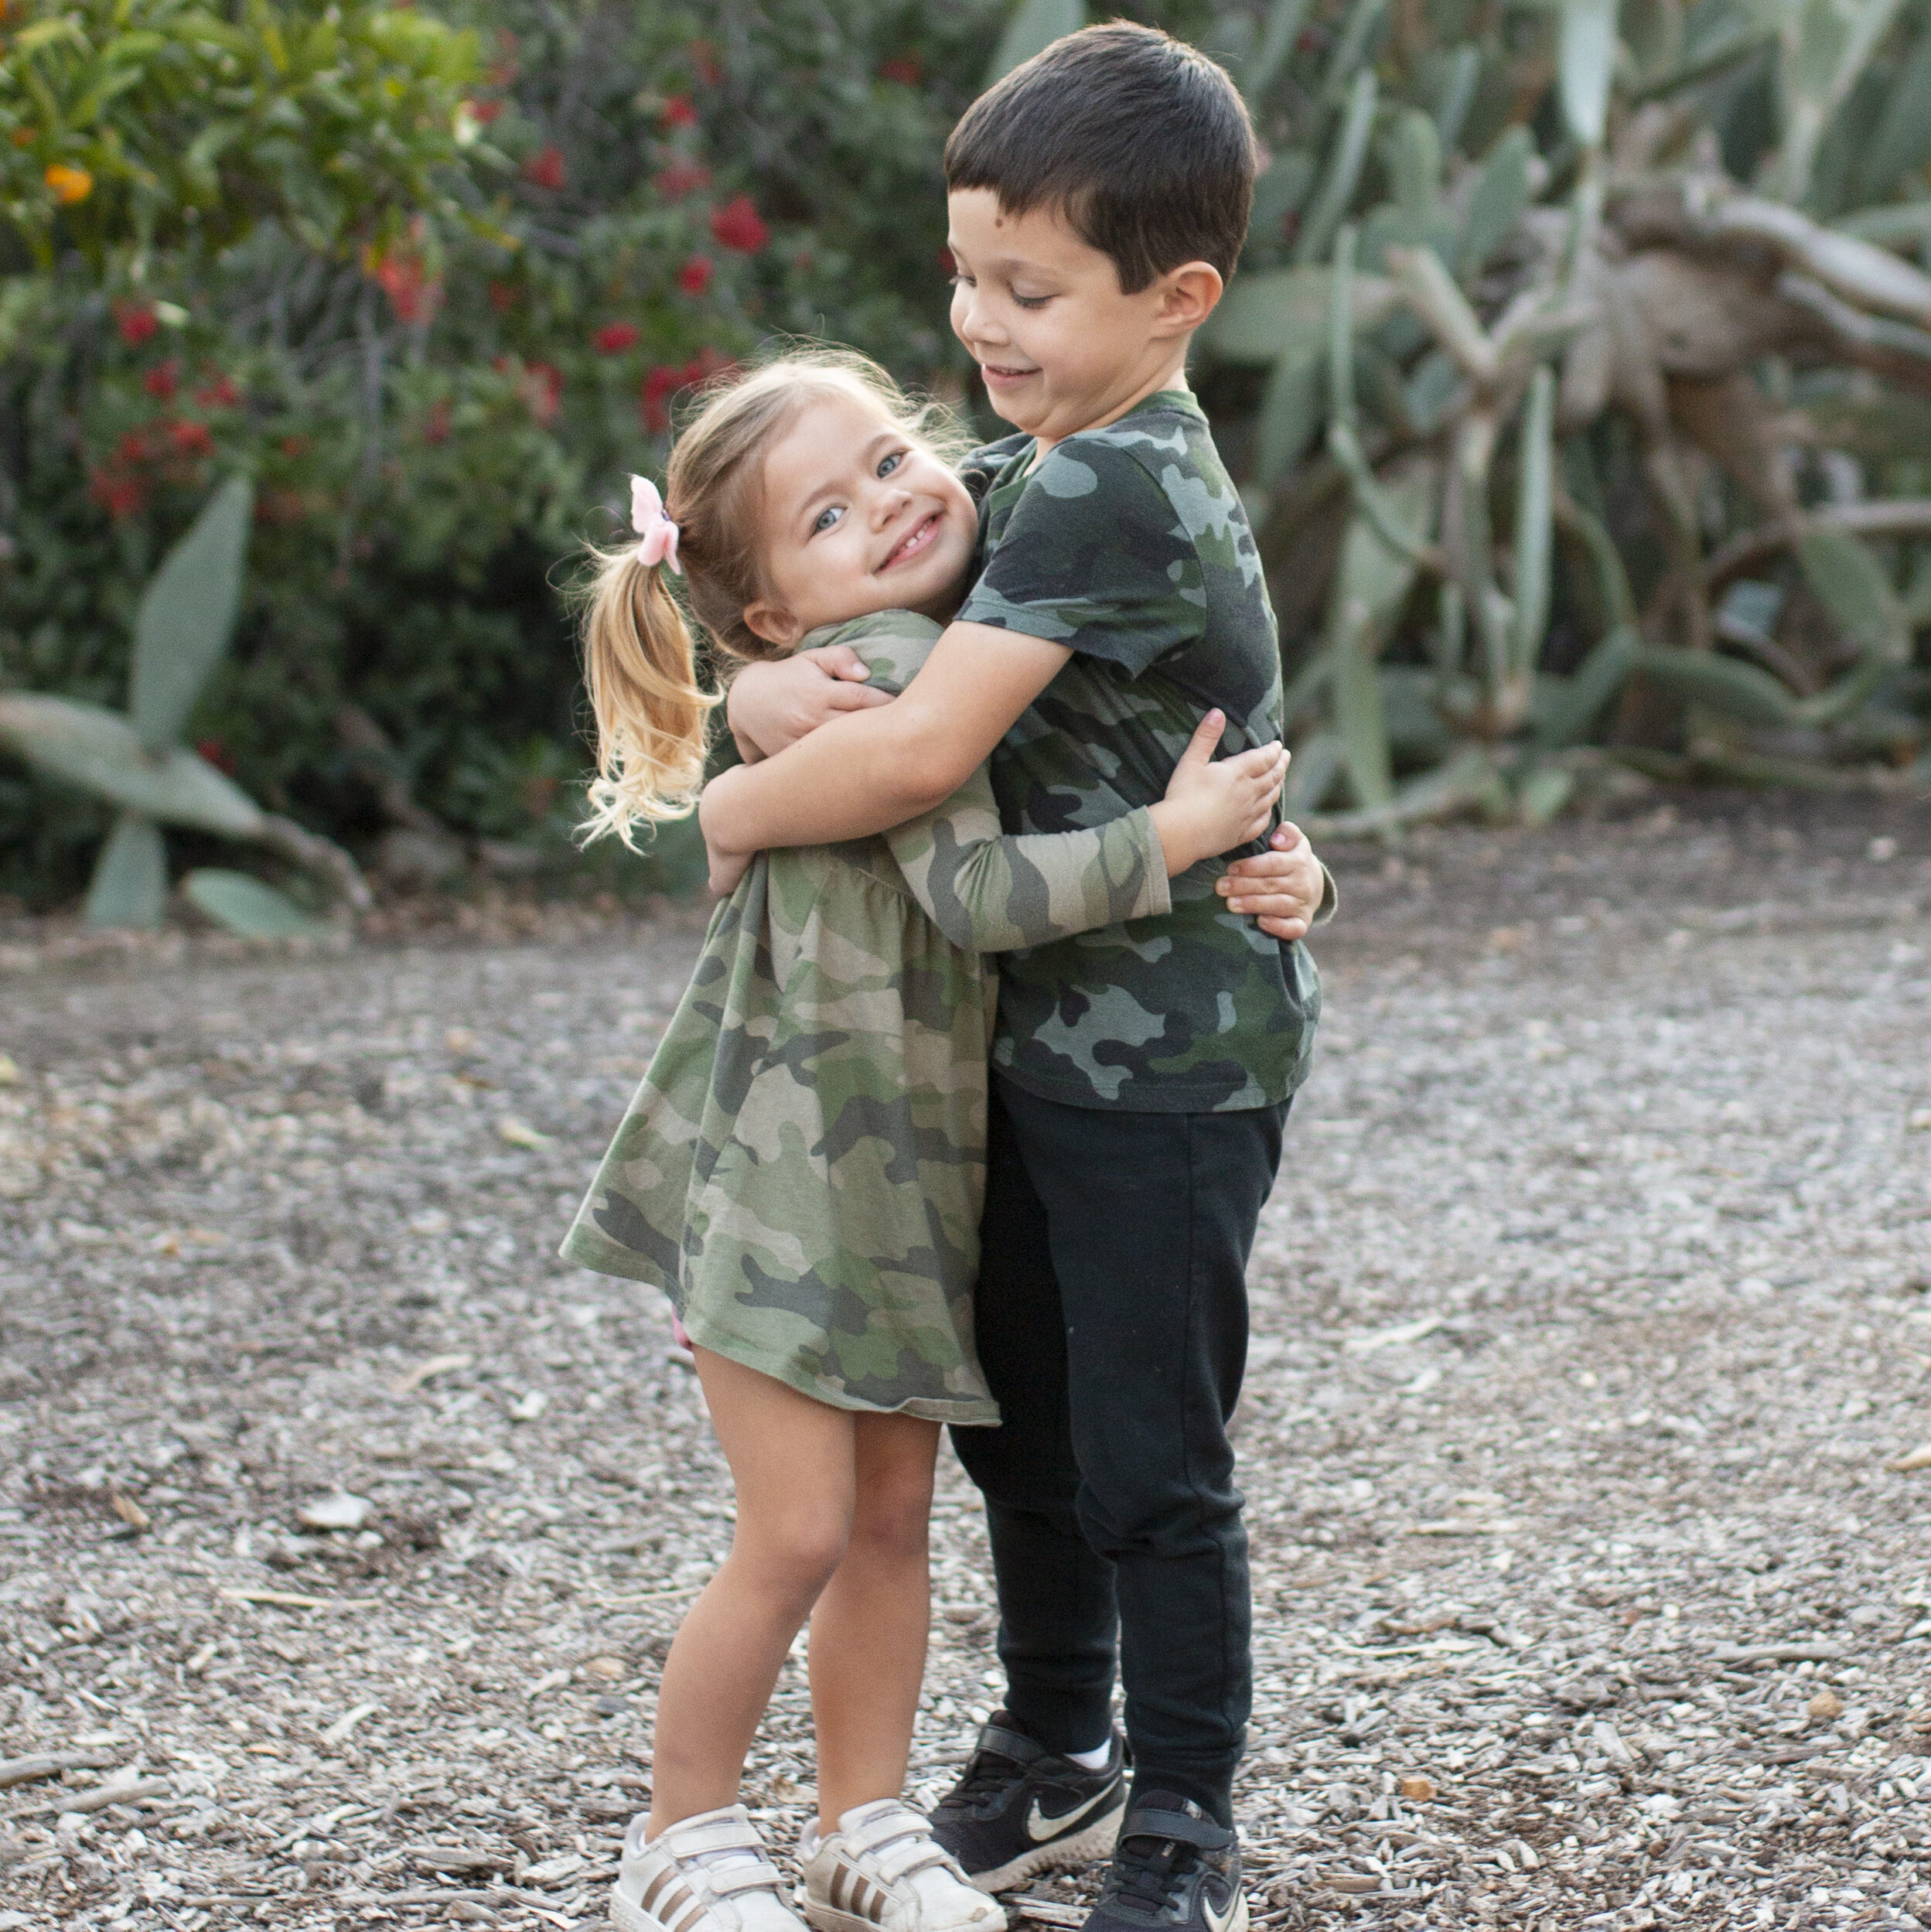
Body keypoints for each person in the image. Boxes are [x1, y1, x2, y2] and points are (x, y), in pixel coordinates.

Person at [698, 28, 1331, 1932]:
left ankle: (1185, 1814)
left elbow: (898, 764)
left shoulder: (1114, 487)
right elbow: (836, 575)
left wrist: (730, 803)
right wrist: (741, 679)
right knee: (1021, 1434)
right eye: (965, 272)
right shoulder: (1024, 462)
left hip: (1165, 1062)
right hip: (1018, 1040)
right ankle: (1057, 1745)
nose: (975, 317)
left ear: (1177, 296)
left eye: (1027, 288)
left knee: (1150, 1454)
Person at [561, 348, 1304, 1932]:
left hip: (898, 1181)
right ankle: (679, 1837)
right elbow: (973, 892)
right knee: (804, 1529)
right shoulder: (895, 673)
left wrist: (746, 728)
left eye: (896, 458)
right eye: (831, 512)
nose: (896, 502)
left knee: (889, 1517)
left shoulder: (949, 639)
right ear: (768, 613)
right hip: (789, 1180)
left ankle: (864, 1822)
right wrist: (1176, 840)